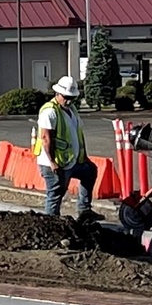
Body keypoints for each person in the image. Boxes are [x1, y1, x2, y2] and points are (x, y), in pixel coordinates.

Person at [33, 75, 99, 219]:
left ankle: (84, 210)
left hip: (70, 160)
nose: (69, 101)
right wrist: (52, 162)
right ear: (57, 94)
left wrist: (84, 157)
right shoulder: (50, 111)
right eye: (66, 97)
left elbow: (77, 133)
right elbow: (45, 138)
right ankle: (52, 223)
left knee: (90, 171)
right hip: (55, 163)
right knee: (56, 193)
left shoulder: (71, 109)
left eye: (72, 98)